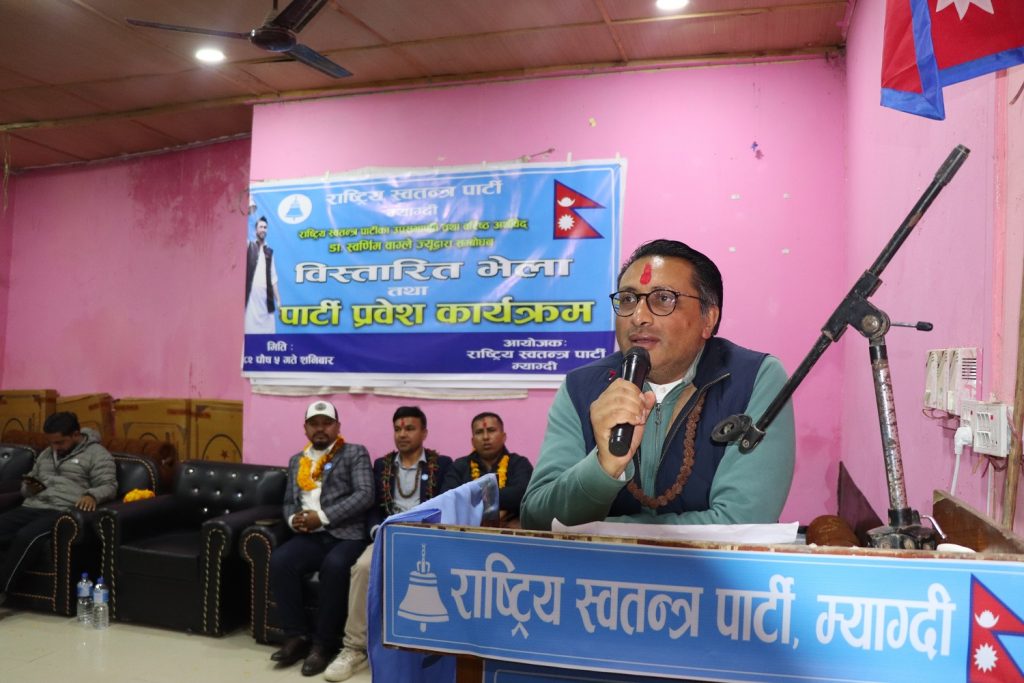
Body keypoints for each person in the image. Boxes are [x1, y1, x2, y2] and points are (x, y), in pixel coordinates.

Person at [519, 239, 795, 530]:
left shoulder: (754, 378)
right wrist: (603, 467)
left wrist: (603, 530)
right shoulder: (582, 387)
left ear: (708, 319)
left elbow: (742, 523)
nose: (638, 317)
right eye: (628, 299)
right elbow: (537, 520)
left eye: (663, 298)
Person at [324, 406, 452, 682]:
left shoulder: (442, 465)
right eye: (398, 429)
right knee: (362, 568)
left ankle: (435, 648)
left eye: (410, 428)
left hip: (426, 541)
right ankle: (353, 648)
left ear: (424, 432)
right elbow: (373, 507)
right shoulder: (382, 465)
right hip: (388, 537)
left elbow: (445, 504)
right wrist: (377, 530)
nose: (402, 434)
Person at [269, 400, 374, 677]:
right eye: (314, 424)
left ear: (337, 427)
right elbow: (289, 502)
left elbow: (365, 494)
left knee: (335, 566)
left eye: (326, 423)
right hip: (310, 536)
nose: (320, 429)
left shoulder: (355, 453)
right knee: (281, 560)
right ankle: (296, 636)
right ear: (305, 428)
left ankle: (323, 645)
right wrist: (294, 519)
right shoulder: (297, 460)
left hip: (346, 535)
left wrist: (323, 517)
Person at [0, 412, 116, 605]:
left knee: (26, 536)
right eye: (51, 442)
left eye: (60, 442)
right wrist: (28, 487)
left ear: (76, 434)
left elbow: (109, 486)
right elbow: (29, 481)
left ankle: (2, 590)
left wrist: (92, 495)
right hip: (33, 505)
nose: (55, 447)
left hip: (61, 511)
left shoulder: (97, 454)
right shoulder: (47, 453)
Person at [442, 412, 533, 525]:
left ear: (503, 436)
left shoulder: (519, 463)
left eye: (491, 430)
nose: (485, 437)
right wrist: (500, 506)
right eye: (479, 432)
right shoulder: (459, 466)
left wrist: (473, 498)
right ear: (472, 441)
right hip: (467, 530)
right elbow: (449, 499)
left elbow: (522, 495)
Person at [245, 215, 281, 333]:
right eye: (261, 227)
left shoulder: (269, 252)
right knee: (249, 331)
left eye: (265, 227)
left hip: (266, 300)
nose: (263, 229)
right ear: (256, 230)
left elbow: (273, 278)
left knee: (268, 334)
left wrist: (278, 300)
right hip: (251, 300)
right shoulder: (248, 247)